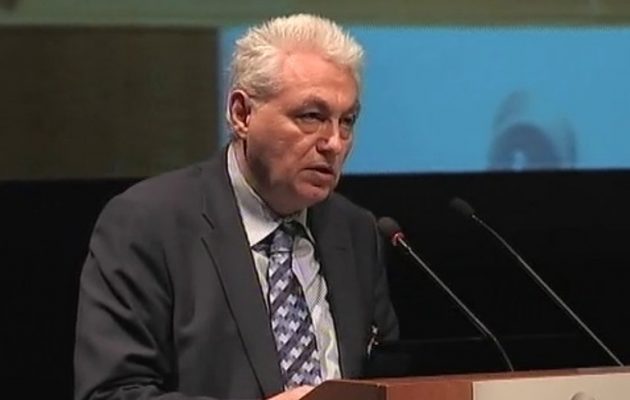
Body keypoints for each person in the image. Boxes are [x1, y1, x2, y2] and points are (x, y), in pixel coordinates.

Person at [74, 13, 398, 400]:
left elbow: (391, 381)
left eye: (347, 121)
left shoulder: (357, 231)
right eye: (311, 116)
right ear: (242, 114)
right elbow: (111, 393)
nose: (334, 143)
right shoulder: (147, 224)